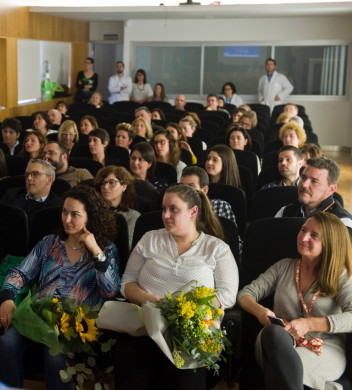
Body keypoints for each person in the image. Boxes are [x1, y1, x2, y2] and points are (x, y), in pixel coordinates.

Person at [115, 184, 239, 390]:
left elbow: (227, 295)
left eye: (174, 209)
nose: (165, 215)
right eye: (164, 208)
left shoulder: (216, 248)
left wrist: (184, 308)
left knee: (184, 379)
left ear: (193, 212)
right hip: (144, 325)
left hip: (189, 330)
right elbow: (127, 281)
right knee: (131, 367)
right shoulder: (150, 239)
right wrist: (151, 299)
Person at [0, 185, 120, 390]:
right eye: (64, 212)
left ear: (90, 217)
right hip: (38, 314)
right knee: (7, 344)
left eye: (75, 214)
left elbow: (110, 290)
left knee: (54, 356)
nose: (67, 219)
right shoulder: (49, 243)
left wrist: (95, 251)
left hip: (74, 323)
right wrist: (8, 298)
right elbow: (19, 273)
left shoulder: (106, 249)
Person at [237, 212, 352, 390]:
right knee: (273, 333)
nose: (303, 237)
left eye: (314, 235)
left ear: (330, 243)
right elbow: (245, 294)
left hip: (323, 348)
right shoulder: (284, 266)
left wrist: (309, 324)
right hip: (277, 343)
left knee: (281, 371)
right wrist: (260, 311)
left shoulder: (340, 275)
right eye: (303, 230)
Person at [275, 157, 352, 230]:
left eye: (314, 181)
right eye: (303, 177)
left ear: (331, 189)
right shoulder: (285, 212)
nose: (304, 184)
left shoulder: (342, 223)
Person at [0, 159, 62, 225]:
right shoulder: (11, 195)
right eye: (27, 174)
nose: (29, 178)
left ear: (49, 180)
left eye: (35, 174)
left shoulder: (57, 206)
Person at [95, 166, 141, 248]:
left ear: (124, 186)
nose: (105, 187)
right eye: (103, 183)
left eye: (111, 182)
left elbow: (127, 247)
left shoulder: (133, 216)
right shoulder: (93, 212)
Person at [180, 166, 238, 230]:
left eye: (191, 186)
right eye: (182, 186)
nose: (184, 191)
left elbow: (232, 237)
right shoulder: (176, 208)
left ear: (204, 190)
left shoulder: (220, 206)